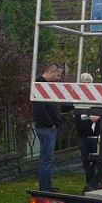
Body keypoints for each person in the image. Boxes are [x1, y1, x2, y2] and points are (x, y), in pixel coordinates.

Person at [32, 62, 64, 192]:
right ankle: (46, 188)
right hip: (46, 129)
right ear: (51, 72)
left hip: (47, 128)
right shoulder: (40, 85)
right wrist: (51, 124)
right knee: (46, 160)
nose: (59, 78)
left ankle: (46, 186)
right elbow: (40, 110)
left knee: (47, 159)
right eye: (58, 74)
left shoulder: (45, 86)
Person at [74, 73, 100, 186]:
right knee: (86, 163)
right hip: (82, 137)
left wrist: (97, 116)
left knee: (99, 163)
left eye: (88, 83)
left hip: (96, 137)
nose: (86, 86)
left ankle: (99, 185)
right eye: (83, 83)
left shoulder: (97, 97)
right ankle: (90, 185)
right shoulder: (76, 98)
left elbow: (98, 116)